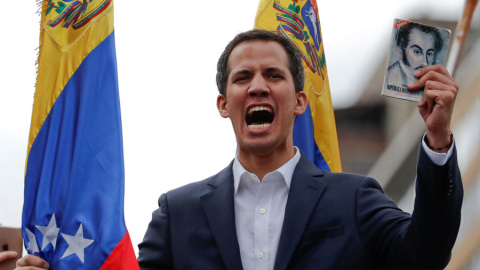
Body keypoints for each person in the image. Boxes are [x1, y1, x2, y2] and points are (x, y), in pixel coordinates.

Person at [16, 29, 462, 269]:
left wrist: (438, 141)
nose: (258, 87)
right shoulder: (178, 214)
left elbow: (425, 255)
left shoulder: (355, 198)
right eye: (242, 78)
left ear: (300, 101)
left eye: (273, 75)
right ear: (223, 104)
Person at [386, 22, 444, 94]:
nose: (425, 63)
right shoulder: (387, 78)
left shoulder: (435, 84)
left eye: (429, 54)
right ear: (400, 51)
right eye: (417, 52)